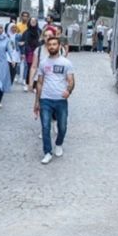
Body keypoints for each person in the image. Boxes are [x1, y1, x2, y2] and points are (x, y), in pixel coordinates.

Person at [34, 36, 75, 165]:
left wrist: (68, 91)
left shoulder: (66, 63)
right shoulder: (43, 63)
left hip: (60, 100)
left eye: (54, 44)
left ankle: (59, 143)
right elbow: (39, 83)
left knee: (62, 126)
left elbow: (71, 80)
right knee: (45, 126)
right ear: (47, 47)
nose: (52, 46)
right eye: (49, 44)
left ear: (59, 46)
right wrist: (37, 101)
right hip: (45, 99)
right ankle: (47, 152)